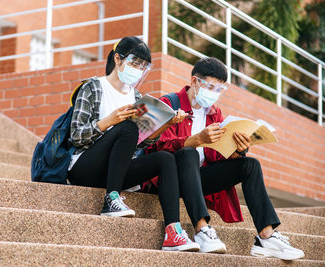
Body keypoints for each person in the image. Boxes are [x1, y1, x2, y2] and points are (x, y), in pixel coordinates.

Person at [145, 57, 305, 260]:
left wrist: (237, 150)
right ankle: (202, 230)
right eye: (211, 87)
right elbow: (154, 147)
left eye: (219, 90)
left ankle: (266, 236)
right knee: (189, 152)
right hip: (170, 180)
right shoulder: (169, 103)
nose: (214, 94)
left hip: (198, 179)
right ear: (194, 81)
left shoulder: (214, 113)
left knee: (250, 165)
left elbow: (215, 155)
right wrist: (194, 140)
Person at [68, 36, 201, 251]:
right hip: (86, 167)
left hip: (118, 170)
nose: (138, 69)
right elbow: (76, 136)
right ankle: (111, 199)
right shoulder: (93, 87)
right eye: (135, 63)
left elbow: (138, 144)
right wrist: (111, 120)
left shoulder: (137, 96)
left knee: (165, 159)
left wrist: (164, 124)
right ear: (118, 59)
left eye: (143, 66)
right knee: (127, 127)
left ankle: (173, 232)